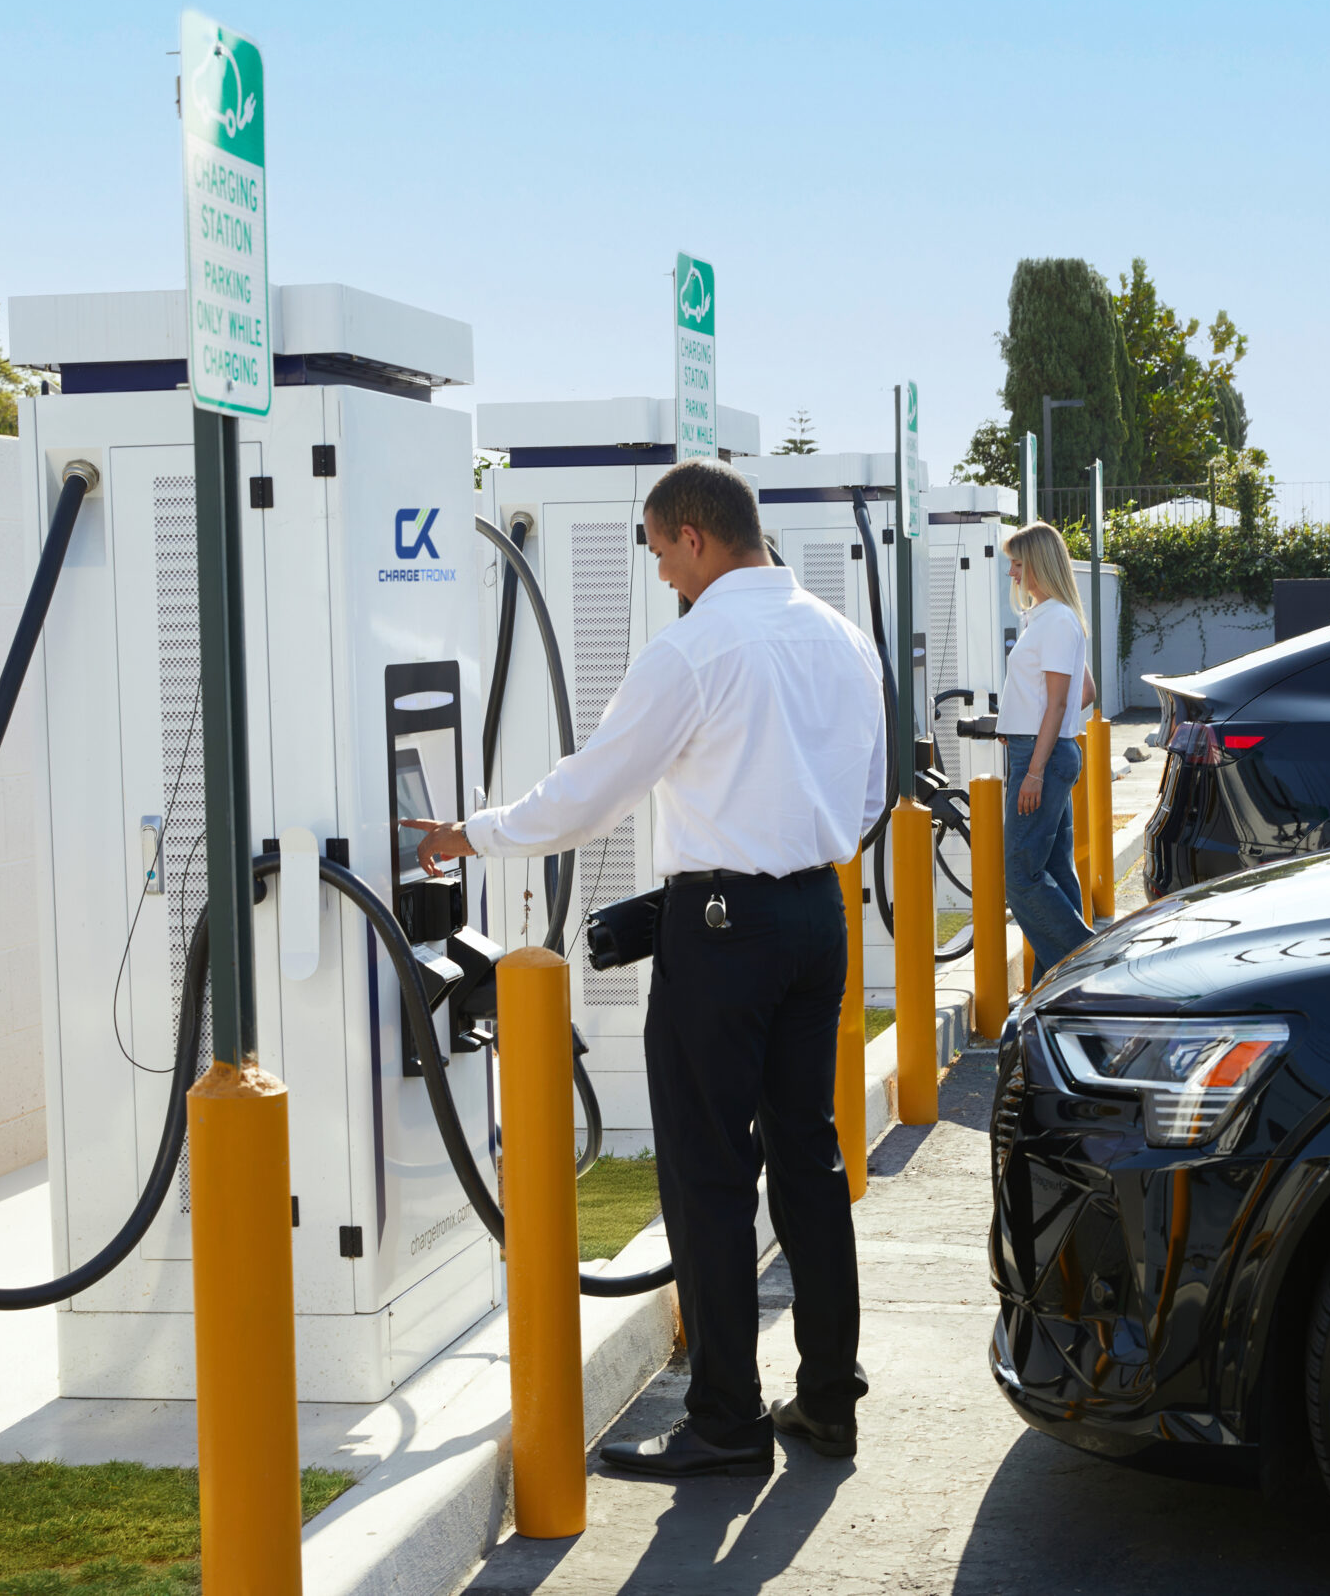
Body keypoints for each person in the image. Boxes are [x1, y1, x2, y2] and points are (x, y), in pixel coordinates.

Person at [403, 460, 886, 1478]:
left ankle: (724, 1422)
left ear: (697, 537)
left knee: (709, 1173)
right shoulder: (843, 638)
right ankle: (829, 1403)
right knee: (809, 1157)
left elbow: (588, 793)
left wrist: (470, 837)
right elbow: (872, 789)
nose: (663, 572)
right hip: (817, 917)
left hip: (721, 928)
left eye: (662, 550)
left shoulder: (696, 649)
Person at [998, 522, 1099, 972]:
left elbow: (1061, 702)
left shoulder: (1056, 619)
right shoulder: (1050, 617)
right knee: (1055, 872)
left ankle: (1092, 963)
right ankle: (1055, 990)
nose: (1013, 574)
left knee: (1020, 878)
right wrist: (1023, 716)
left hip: (1041, 758)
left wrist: (1035, 766)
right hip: (1043, 750)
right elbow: (1086, 691)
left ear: (1038, 563)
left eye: (1018, 564)